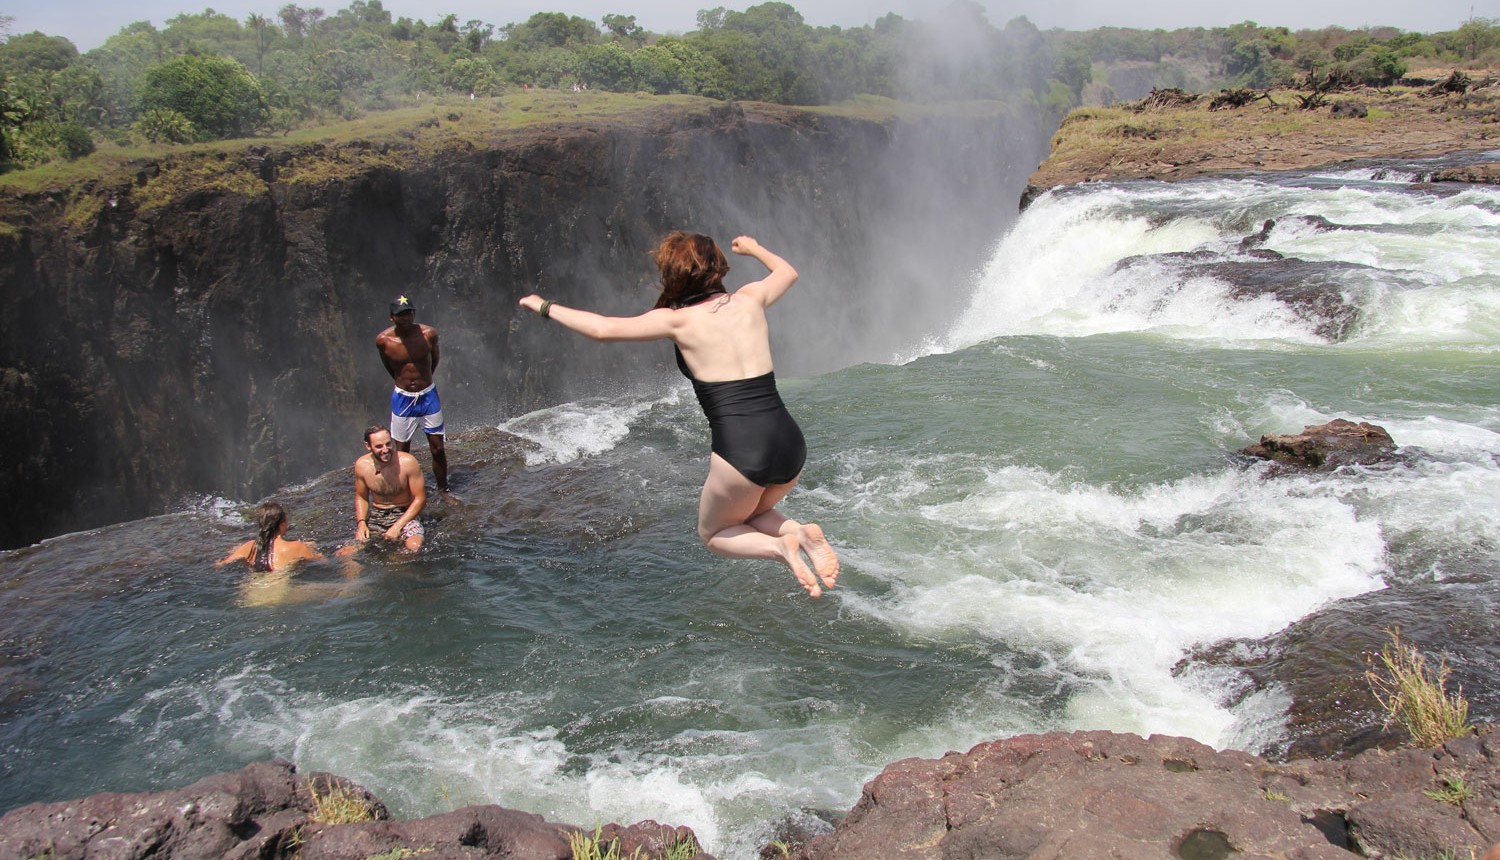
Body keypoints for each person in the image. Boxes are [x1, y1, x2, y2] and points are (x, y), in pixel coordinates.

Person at [519, 232, 839, 597]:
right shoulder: (751, 298)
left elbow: (601, 329)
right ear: (718, 267)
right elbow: (787, 271)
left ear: (674, 275)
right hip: (789, 444)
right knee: (746, 516)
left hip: (742, 452)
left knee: (715, 534)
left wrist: (544, 306)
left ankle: (782, 547)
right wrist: (753, 249)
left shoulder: (677, 321)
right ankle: (796, 532)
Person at [377, 295, 449, 492]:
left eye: (409, 313)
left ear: (414, 313)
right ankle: (404, 493)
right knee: (401, 452)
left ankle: (444, 489)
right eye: (401, 315)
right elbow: (389, 367)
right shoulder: (384, 341)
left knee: (438, 448)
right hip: (402, 398)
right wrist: (405, 385)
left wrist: (423, 382)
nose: (406, 318)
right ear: (392, 317)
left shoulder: (428, 334)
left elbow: (435, 360)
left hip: (428, 395)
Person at [347, 425, 427, 552]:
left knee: (413, 547)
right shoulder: (362, 465)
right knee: (347, 553)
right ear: (368, 446)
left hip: (405, 514)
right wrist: (361, 523)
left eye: (388, 444)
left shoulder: (407, 462)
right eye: (379, 446)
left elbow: (420, 498)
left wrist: (397, 526)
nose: (385, 450)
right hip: (377, 515)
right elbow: (361, 497)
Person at [218, 501, 323, 571]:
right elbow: (323, 563)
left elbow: (220, 564)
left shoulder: (249, 547)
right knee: (337, 592)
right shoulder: (297, 547)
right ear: (282, 524)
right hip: (277, 596)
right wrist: (312, 549)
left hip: (250, 595)